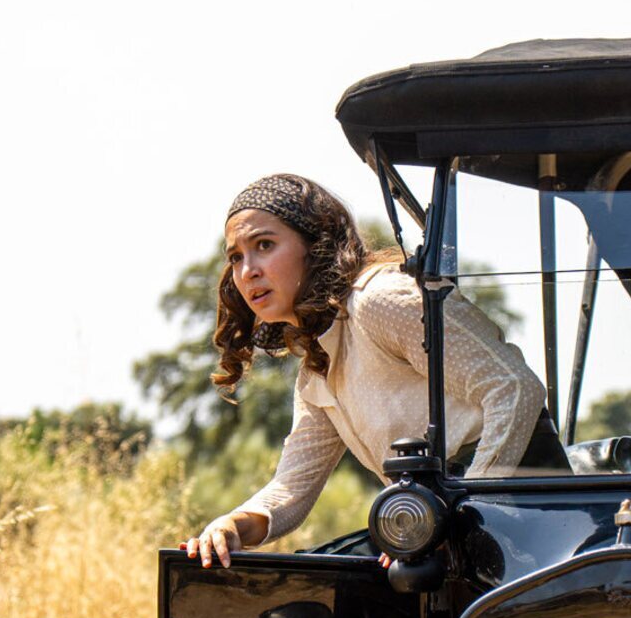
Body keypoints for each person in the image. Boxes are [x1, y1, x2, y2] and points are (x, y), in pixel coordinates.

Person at [184, 173, 553, 567]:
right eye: (236, 257)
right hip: (437, 515)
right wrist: (233, 525)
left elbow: (515, 389)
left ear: (315, 244)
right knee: (318, 585)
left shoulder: (378, 300)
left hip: (529, 506)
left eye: (264, 245)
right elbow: (293, 487)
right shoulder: (317, 365)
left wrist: (466, 516)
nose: (248, 271)